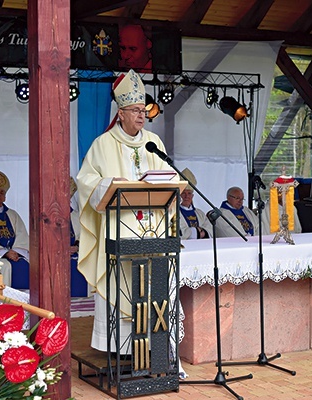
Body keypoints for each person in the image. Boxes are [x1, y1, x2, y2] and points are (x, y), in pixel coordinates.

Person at [76, 70, 172, 353]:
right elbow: (86, 182)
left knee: (151, 290)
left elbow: (167, 178)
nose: (141, 116)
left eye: (143, 110)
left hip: (152, 231)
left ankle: (152, 350)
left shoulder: (154, 143)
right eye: (134, 110)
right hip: (118, 232)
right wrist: (108, 184)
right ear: (120, 113)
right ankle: (119, 351)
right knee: (119, 287)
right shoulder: (102, 145)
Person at [178, 168, 212, 240]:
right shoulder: (175, 213)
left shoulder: (200, 213)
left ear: (192, 196)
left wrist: (204, 232)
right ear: (179, 195)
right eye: (183, 193)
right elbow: (180, 232)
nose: (186, 196)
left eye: (189, 193)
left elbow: (209, 229)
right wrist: (198, 232)